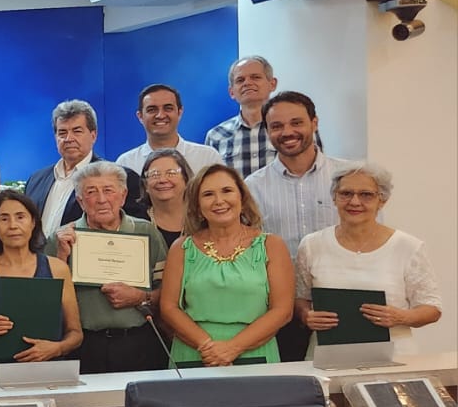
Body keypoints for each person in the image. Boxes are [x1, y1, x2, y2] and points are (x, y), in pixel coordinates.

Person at [295, 162, 442, 353]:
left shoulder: (408, 247)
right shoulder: (311, 245)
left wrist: (401, 317)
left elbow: (432, 308)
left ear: (382, 200)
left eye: (366, 195)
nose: (355, 202)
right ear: (334, 198)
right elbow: (300, 298)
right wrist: (306, 315)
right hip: (327, 357)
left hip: (396, 359)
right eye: (346, 193)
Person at [158, 164, 293, 367]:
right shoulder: (181, 248)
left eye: (227, 191)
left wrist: (234, 348)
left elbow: (282, 310)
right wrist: (209, 347)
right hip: (196, 354)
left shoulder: (271, 245)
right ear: (197, 205)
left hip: (254, 352)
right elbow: (168, 308)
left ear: (242, 198)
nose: (219, 201)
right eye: (208, 194)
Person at [246, 91, 343, 362]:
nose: (287, 132)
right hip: (277, 312)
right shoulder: (252, 188)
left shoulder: (347, 178)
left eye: (296, 123)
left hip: (336, 308)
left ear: (314, 122)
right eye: (276, 126)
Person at [48, 162, 168, 374]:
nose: (101, 199)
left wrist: (140, 296)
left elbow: (169, 294)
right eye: (91, 192)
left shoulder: (147, 232)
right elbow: (45, 304)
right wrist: (61, 258)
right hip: (83, 346)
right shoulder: (60, 239)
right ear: (80, 201)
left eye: (108, 190)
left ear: (123, 196)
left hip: (137, 343)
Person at [0, 191, 83, 380]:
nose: (13, 226)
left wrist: (57, 348)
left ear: (33, 222)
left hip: (47, 374)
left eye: (20, 217)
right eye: (4, 219)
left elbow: (75, 333)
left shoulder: (57, 268)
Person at [24, 100, 144, 238]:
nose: (69, 139)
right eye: (62, 132)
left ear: (93, 135)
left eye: (77, 131)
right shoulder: (36, 180)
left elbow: (134, 232)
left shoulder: (121, 178)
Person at [114, 83, 221, 175]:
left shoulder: (207, 157)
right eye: (152, 110)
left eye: (168, 108)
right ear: (140, 116)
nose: (160, 115)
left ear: (180, 112)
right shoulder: (126, 163)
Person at [204, 55, 280, 177]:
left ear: (272, 84)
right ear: (231, 92)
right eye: (240, 80)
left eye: (255, 77)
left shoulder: (293, 129)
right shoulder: (216, 136)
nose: (248, 83)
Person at [140, 148, 192, 247]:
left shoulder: (203, 220)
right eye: (155, 174)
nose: (162, 180)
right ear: (145, 185)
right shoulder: (136, 224)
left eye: (171, 173)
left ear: (186, 180)